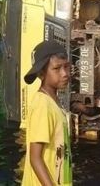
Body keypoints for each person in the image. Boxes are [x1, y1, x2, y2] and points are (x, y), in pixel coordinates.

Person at [21, 40, 73, 186]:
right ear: (41, 74)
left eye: (66, 67)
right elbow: (35, 158)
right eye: (57, 69)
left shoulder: (53, 102)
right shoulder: (42, 105)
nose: (65, 74)